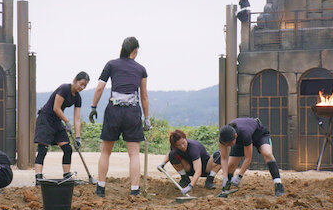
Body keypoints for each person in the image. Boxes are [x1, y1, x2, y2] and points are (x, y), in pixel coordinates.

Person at [89, 36, 150, 197]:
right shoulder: (141, 69)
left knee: (106, 151)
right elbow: (144, 96)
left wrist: (93, 107)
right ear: (135, 51)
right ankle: (135, 190)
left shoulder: (111, 64)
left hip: (114, 110)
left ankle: (101, 187)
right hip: (132, 111)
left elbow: (99, 88)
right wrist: (147, 118)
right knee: (134, 153)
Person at [34, 71, 89, 185]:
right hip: (46, 119)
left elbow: (77, 118)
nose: (82, 87)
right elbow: (56, 108)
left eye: (85, 85)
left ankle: (67, 176)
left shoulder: (78, 97)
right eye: (81, 84)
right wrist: (67, 121)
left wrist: (78, 137)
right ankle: (38, 179)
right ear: (75, 80)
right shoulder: (64, 88)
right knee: (42, 149)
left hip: (57, 121)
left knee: (67, 149)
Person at [218, 118, 284, 197]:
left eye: (229, 144)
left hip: (259, 135)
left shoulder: (245, 133)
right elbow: (224, 158)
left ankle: (278, 184)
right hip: (240, 140)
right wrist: (225, 177)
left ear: (235, 136)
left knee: (267, 154)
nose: (227, 146)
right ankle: (226, 188)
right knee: (231, 165)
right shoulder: (224, 137)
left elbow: (248, 158)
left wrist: (239, 176)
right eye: (225, 144)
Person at [157, 130, 221, 194]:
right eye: (178, 145)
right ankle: (185, 179)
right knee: (172, 154)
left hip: (205, 168)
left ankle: (210, 180)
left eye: (183, 143)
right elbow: (170, 152)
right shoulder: (175, 147)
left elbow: (198, 171)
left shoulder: (193, 148)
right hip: (190, 168)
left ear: (185, 138)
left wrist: (190, 186)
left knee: (220, 154)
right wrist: (163, 163)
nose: (182, 146)